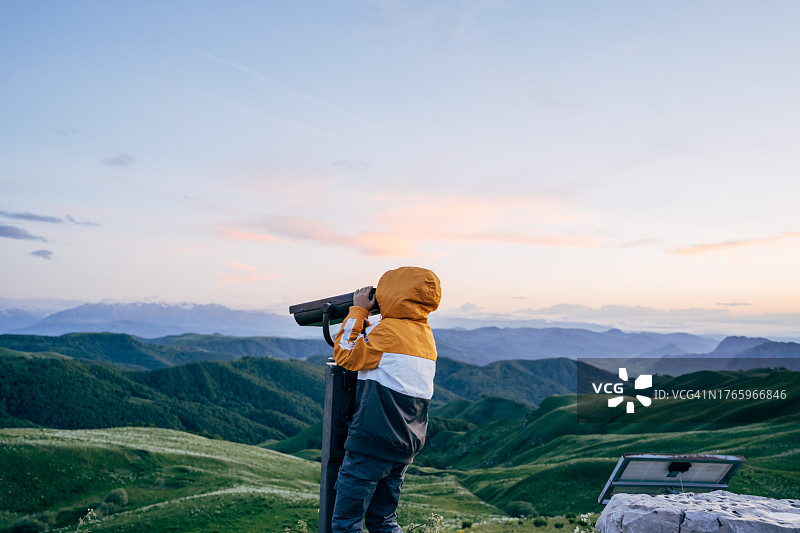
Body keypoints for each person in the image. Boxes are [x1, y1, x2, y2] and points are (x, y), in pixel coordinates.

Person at [331, 266, 441, 533]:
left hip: (372, 443)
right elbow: (382, 356)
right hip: (404, 446)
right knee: (383, 521)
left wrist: (357, 312)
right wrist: (368, 327)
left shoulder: (388, 332)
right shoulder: (425, 336)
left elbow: (345, 354)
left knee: (346, 524)